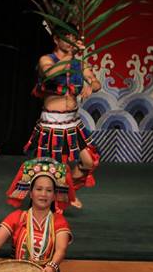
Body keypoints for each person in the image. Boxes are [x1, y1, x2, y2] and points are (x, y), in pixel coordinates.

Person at [11, 33, 101, 209]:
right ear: (56, 40)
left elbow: (96, 82)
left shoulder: (79, 64)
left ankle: (68, 191)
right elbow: (51, 74)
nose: (70, 43)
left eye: (73, 39)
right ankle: (57, 200)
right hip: (52, 124)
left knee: (89, 161)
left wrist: (91, 84)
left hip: (73, 123)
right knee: (54, 169)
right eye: (66, 39)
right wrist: (71, 54)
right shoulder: (46, 60)